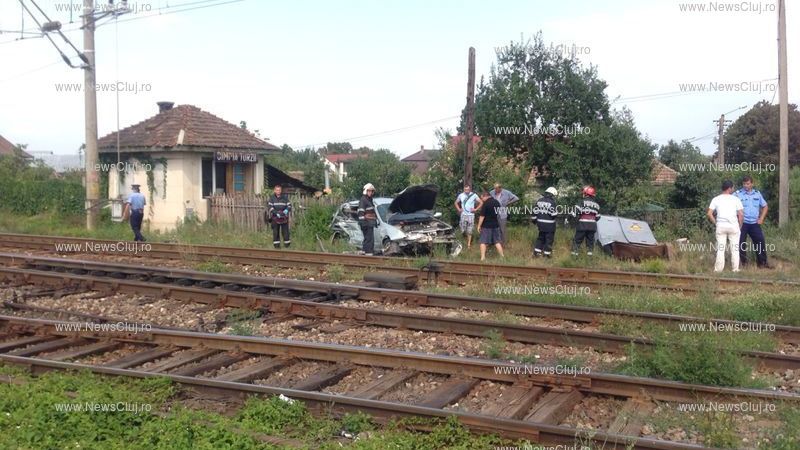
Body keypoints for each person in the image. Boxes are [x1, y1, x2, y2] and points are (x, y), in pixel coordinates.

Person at [707, 180, 744, 272]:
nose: (733, 189)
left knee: (720, 249)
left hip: (721, 226)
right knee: (735, 248)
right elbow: (741, 214)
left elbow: (709, 214)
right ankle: (735, 268)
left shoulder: (716, 199)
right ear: (729, 188)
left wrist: (716, 223)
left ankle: (718, 269)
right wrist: (740, 225)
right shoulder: (735, 199)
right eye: (733, 187)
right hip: (733, 226)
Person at [734, 176, 770, 268]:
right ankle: (744, 264)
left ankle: (762, 264)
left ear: (752, 184)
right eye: (744, 184)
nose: (746, 186)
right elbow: (729, 202)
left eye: (748, 184)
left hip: (754, 223)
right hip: (742, 223)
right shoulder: (737, 194)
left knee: (760, 242)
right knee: (741, 243)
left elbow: (765, 206)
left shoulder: (757, 194)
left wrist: (761, 218)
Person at [571, 186, 600, 256]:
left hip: (582, 224)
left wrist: (575, 219)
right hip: (592, 225)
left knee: (577, 240)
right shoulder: (597, 205)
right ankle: (589, 256)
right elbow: (598, 217)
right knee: (590, 242)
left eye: (584, 193)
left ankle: (574, 256)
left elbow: (574, 213)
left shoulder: (582, 202)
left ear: (586, 194)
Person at [476, 190, 505, 261]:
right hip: (495, 225)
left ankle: (482, 258)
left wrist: (479, 226)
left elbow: (482, 216)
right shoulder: (497, 202)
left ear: (485, 196)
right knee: (497, 242)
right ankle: (502, 257)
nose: (482, 200)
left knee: (483, 242)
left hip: (486, 226)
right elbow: (499, 213)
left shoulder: (485, 204)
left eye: (482, 198)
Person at [454, 184, 483, 250]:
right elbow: (456, 202)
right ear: (463, 189)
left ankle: (468, 244)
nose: (466, 190)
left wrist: (475, 209)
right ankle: (464, 239)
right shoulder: (461, 195)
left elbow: (481, 202)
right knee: (462, 230)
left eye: (468, 189)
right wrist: (459, 209)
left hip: (471, 215)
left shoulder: (474, 195)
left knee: (469, 230)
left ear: (470, 189)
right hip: (463, 215)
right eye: (465, 189)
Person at [533, 187, 558, 258]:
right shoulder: (552, 202)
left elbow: (534, 212)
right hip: (549, 225)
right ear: (551, 194)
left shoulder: (539, 201)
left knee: (540, 238)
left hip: (540, 224)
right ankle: (547, 254)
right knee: (549, 239)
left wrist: (534, 221)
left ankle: (536, 253)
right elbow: (554, 214)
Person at [267, 184, 292, 248]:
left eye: (279, 190)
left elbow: (289, 206)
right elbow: (270, 207)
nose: (278, 191)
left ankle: (287, 246)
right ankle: (277, 246)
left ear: (281, 191)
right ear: (274, 190)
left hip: (284, 218)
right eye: (277, 190)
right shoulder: (272, 198)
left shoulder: (285, 198)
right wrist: (276, 213)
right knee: (276, 232)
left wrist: (286, 210)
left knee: (285, 232)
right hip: (275, 218)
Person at [357, 183, 378, 255]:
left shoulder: (369, 200)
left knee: (369, 239)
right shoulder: (363, 200)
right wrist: (364, 222)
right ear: (366, 191)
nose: (370, 192)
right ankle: (368, 253)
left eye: (371, 191)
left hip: (370, 223)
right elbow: (360, 213)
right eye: (369, 191)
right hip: (366, 223)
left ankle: (366, 252)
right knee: (369, 239)